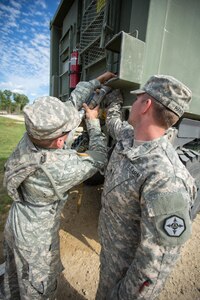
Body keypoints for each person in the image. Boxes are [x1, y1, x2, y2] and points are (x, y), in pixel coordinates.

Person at [1, 71, 115, 300]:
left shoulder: (32, 134)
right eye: (64, 133)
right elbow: (99, 157)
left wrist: (96, 81)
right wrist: (93, 123)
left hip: (18, 219)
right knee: (38, 287)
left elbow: (71, 104)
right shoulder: (57, 167)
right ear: (59, 140)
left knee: (13, 276)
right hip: (36, 237)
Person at [96, 75, 197, 299]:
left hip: (126, 274)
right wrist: (110, 95)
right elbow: (113, 123)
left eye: (138, 97)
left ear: (146, 105)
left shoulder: (166, 178)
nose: (133, 103)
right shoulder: (129, 136)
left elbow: (155, 264)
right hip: (110, 254)